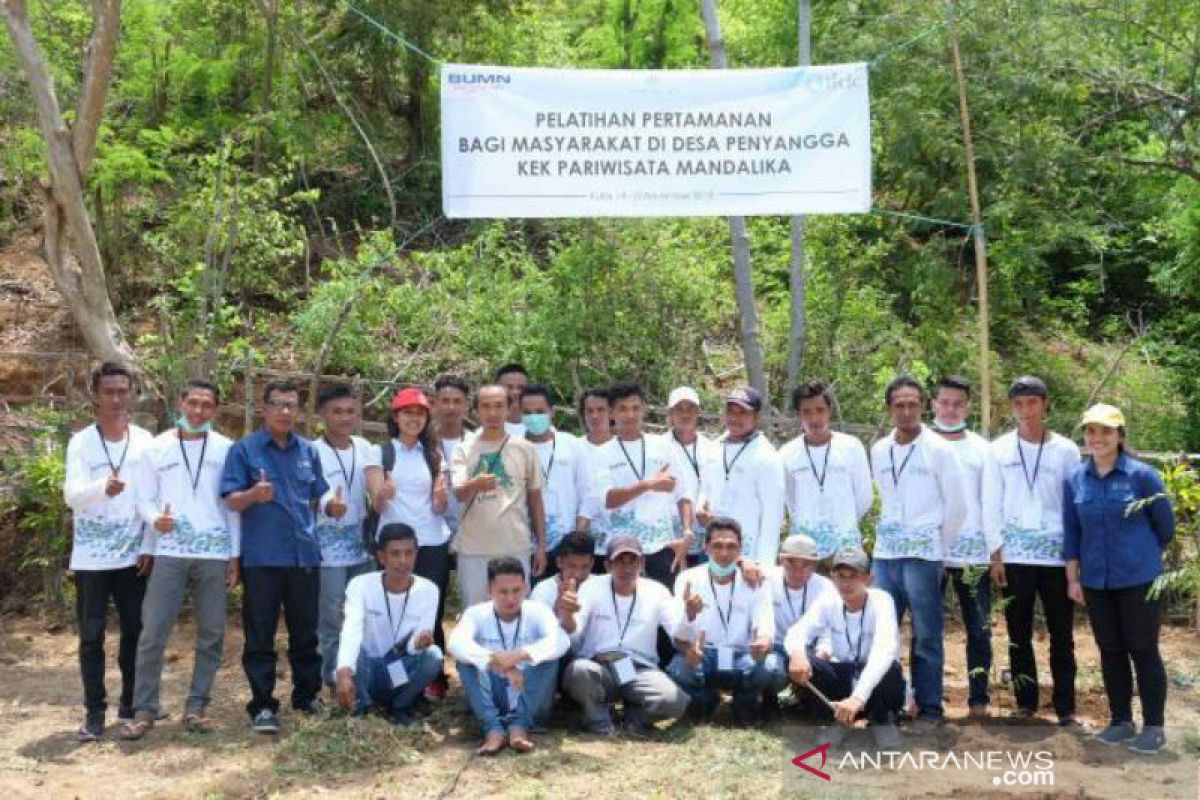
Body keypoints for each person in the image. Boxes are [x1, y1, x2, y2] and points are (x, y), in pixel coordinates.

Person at [118, 380, 239, 740]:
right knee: (153, 630)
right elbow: (143, 498)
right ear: (181, 403)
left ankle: (197, 706)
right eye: (193, 403)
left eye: (207, 405)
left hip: (213, 553)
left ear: (215, 410)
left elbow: (232, 506)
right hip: (170, 552)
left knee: (212, 633)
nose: (199, 411)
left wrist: (235, 554)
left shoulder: (227, 449)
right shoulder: (156, 449)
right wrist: (155, 523)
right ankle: (144, 709)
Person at [221, 380, 341, 734]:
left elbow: (319, 497)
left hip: (304, 555)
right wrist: (253, 495)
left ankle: (307, 697)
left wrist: (332, 506)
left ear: (299, 411)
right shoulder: (244, 450)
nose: (285, 411)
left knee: (306, 634)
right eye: (278, 404)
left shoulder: (308, 451)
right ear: (265, 409)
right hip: (262, 558)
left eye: (291, 405)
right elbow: (230, 499)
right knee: (260, 636)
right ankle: (262, 706)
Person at [1064, 404, 1176, 754]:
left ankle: (1154, 726)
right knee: (1110, 651)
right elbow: (1072, 533)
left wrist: (1139, 556)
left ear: (1120, 435)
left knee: (1143, 650)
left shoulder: (1142, 476)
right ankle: (1120, 721)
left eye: (1105, 431)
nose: (1097, 438)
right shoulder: (1075, 479)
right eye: (1091, 431)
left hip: (1138, 579)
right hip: (1096, 581)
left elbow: (1166, 527)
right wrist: (1073, 579)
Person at [64, 362, 154, 741]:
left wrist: (150, 544)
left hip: (133, 556)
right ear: (96, 396)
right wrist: (103, 487)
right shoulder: (81, 442)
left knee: (135, 630)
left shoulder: (146, 441)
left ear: (132, 394)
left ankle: (129, 705)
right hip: (91, 558)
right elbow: (71, 496)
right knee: (91, 635)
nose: (116, 399)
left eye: (123, 391)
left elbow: (153, 498)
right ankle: (94, 712)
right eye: (108, 392)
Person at [869, 375, 967, 725]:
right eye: (899, 404)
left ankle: (929, 707)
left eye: (913, 404)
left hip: (924, 554)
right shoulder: (879, 449)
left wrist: (937, 546)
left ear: (923, 406)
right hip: (887, 553)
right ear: (889, 408)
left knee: (926, 633)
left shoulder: (940, 449)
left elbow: (957, 505)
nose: (906, 411)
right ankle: (888, 703)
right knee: (882, 630)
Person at [990, 375, 1082, 726]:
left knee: (1063, 635)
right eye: (1019, 404)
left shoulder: (1067, 450)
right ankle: (1025, 703)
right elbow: (991, 503)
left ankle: (1066, 707)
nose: (1025, 410)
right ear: (1012, 407)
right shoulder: (998, 449)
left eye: (1032, 403)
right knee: (1018, 634)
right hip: (1015, 557)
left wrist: (1076, 560)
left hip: (1056, 558)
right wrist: (995, 554)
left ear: (1045, 405)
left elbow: (1074, 506)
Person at [366, 387, 452, 699]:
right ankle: (391, 677)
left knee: (431, 610)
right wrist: (383, 492)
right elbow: (377, 503)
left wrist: (442, 498)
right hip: (394, 543)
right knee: (393, 610)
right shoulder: (380, 452)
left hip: (430, 541)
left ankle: (431, 677)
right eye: (407, 413)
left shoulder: (434, 454)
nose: (413, 419)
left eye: (419, 414)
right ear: (396, 417)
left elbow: (439, 506)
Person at [562, 535, 691, 735]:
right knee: (579, 671)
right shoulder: (591, 588)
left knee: (674, 701)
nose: (627, 568)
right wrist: (567, 615)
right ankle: (599, 722)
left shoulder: (657, 591)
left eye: (633, 561)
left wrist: (688, 615)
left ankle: (632, 720)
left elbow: (676, 632)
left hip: (638, 668)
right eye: (619, 561)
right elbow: (574, 633)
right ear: (607, 565)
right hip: (600, 666)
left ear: (642, 563)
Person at [930, 375, 1003, 718]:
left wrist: (994, 549)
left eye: (957, 403)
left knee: (978, 627)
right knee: (929, 628)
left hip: (973, 553)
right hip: (931, 551)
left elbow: (990, 502)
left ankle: (978, 698)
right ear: (934, 404)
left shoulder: (981, 449)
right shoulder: (922, 443)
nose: (950, 409)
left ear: (968, 407)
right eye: (944, 402)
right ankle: (928, 696)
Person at [668, 517, 786, 724]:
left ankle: (745, 702)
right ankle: (704, 699)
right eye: (717, 546)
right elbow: (677, 637)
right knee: (678, 668)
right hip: (703, 654)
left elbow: (765, 622)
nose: (724, 554)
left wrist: (763, 642)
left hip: (742, 654)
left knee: (772, 666)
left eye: (731, 547)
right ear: (705, 548)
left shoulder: (755, 580)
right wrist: (689, 615)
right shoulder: (688, 579)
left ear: (741, 550)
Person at [448, 557, 570, 755]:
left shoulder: (538, 611)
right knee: (465, 661)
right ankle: (493, 729)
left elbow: (561, 641)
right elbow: (456, 643)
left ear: (526, 587)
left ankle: (520, 726)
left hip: (530, 695)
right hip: (494, 691)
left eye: (516, 590)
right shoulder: (476, 613)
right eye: (503, 592)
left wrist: (520, 655)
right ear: (489, 590)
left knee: (548, 657)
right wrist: (495, 660)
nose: (511, 599)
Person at [785, 548, 903, 750]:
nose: (846, 584)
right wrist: (797, 654)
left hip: (876, 685)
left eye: (853, 576)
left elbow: (884, 650)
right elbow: (797, 631)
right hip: (846, 676)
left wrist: (858, 698)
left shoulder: (882, 601)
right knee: (804, 662)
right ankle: (839, 718)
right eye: (841, 576)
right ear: (832, 577)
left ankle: (882, 719)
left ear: (868, 578)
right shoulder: (829, 600)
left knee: (889, 668)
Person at [334, 524, 443, 726]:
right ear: (381, 557)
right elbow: (352, 627)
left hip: (401, 665)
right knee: (354, 648)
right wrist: (343, 672)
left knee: (434, 656)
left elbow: (416, 642)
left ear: (416, 554)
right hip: (368, 669)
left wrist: (419, 643)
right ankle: (364, 709)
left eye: (409, 553)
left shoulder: (429, 590)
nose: (403, 561)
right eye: (395, 554)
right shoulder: (361, 585)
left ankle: (400, 707)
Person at [451, 385, 547, 606]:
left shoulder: (525, 448)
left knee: (515, 612)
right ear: (475, 411)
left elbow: (535, 499)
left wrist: (541, 545)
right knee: (475, 612)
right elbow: (459, 493)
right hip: (473, 548)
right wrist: (475, 484)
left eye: (498, 406)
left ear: (509, 409)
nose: (492, 413)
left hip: (515, 546)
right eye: (486, 406)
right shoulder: (464, 449)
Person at [312, 385, 375, 693]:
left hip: (362, 548)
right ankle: (330, 676)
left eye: (350, 411)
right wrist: (326, 505)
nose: (344, 417)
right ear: (322, 414)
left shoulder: (365, 447)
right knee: (331, 614)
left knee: (360, 611)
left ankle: (357, 672)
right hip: (327, 549)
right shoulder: (312, 450)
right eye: (337, 411)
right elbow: (305, 493)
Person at [601, 381, 692, 588]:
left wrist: (686, 532)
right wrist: (648, 484)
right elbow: (608, 499)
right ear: (611, 413)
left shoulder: (663, 446)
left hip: (663, 547)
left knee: (665, 612)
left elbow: (682, 494)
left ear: (643, 410)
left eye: (635, 408)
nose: (630, 415)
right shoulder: (603, 453)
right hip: (622, 552)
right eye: (623, 409)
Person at [778, 380, 872, 557]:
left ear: (829, 411)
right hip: (804, 549)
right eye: (807, 412)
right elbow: (790, 500)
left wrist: (843, 521)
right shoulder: (787, 453)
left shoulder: (851, 447)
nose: (814, 418)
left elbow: (863, 497)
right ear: (799, 415)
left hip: (845, 546)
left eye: (820, 410)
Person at [697, 386, 785, 565]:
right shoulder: (714, 448)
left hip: (748, 555)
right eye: (730, 411)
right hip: (712, 547)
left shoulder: (767, 457)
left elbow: (772, 516)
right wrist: (700, 507)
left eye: (742, 412)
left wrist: (763, 564)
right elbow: (705, 487)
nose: (734, 418)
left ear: (756, 416)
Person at [520, 384, 602, 576]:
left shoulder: (571, 444)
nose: (534, 417)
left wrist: (576, 537)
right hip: (525, 545)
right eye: (527, 412)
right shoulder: (514, 447)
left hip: (567, 546)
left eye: (540, 411)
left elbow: (589, 493)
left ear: (552, 412)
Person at [528, 530, 595, 726]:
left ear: (592, 564)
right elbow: (537, 636)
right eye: (572, 566)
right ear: (559, 563)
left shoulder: (599, 586)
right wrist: (560, 605)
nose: (578, 574)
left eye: (584, 567)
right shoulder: (543, 589)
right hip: (557, 659)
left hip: (590, 657)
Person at [765, 534, 834, 715]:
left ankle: (805, 699)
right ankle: (767, 698)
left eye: (806, 564)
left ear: (815, 565)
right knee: (771, 668)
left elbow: (829, 626)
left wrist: (823, 650)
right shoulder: (765, 580)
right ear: (781, 560)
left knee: (825, 668)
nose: (798, 570)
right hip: (775, 647)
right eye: (791, 563)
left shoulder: (826, 587)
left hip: (810, 649)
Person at [664, 386, 719, 567]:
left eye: (690, 409)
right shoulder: (658, 447)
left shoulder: (712, 448)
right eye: (679, 409)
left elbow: (714, 485)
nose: (685, 414)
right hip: (670, 535)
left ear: (698, 412)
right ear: (670, 413)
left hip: (704, 533)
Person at [433, 374, 471, 537]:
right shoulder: (424, 443)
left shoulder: (476, 443)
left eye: (457, 401)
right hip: (434, 531)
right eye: (445, 401)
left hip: (470, 531)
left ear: (466, 406)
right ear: (435, 404)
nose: (451, 407)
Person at [580, 386, 614, 565]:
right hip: (583, 543)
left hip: (618, 543)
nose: (595, 416)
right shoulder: (574, 448)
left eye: (600, 410)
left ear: (611, 412)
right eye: (589, 411)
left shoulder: (622, 447)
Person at [496, 363, 529, 437]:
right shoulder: (488, 430)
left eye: (521, 387)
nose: (515, 392)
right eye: (509, 387)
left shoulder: (540, 430)